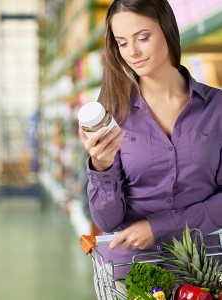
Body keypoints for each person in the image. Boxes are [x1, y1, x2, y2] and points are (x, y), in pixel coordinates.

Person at [78, 0, 222, 280]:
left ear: (167, 30)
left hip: (205, 271)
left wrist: (158, 227)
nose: (133, 52)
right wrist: (101, 166)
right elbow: (107, 220)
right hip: (132, 272)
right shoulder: (113, 111)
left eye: (143, 37)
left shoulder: (216, 108)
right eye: (122, 43)